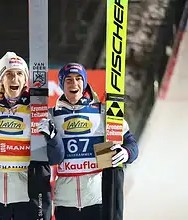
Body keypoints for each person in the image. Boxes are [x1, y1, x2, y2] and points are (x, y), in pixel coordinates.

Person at [44, 62, 139, 220]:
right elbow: (48, 157)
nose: (74, 83)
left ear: (84, 83)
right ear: (61, 84)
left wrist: (126, 152)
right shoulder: (51, 116)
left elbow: (131, 143)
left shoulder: (102, 112)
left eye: (78, 79)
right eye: (68, 80)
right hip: (65, 204)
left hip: (97, 201)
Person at [0, 51, 64, 220]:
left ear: (25, 80)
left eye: (19, 74)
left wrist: (52, 136)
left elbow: (57, 157)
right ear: (1, 80)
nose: (14, 78)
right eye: (8, 74)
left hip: (26, 196)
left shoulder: (37, 111)